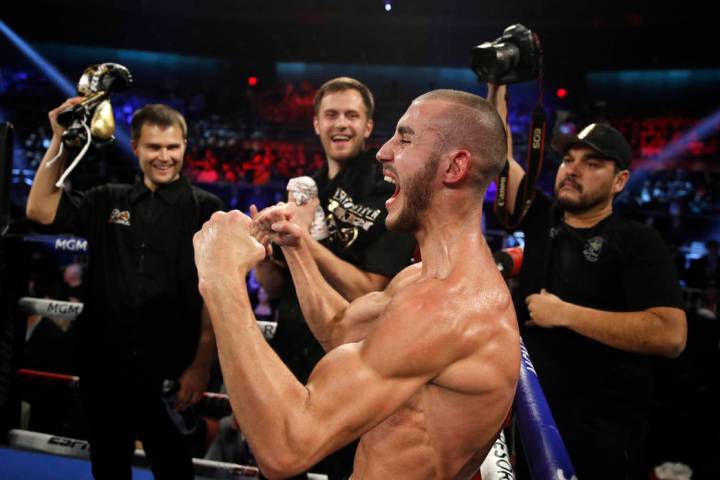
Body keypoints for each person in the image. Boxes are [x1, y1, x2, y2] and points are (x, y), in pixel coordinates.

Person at [193, 89, 519, 479]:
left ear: (453, 167)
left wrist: (220, 277)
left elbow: (286, 448)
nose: (382, 151)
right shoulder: (422, 279)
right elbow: (339, 329)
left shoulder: (447, 308)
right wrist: (298, 247)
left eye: (405, 138)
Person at [487, 83, 687, 479]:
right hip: (531, 417)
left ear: (620, 181)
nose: (573, 169)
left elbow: (671, 334)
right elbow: (500, 157)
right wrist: (497, 86)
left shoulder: (636, 240)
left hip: (602, 432)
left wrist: (564, 313)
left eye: (592, 163)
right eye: (569, 159)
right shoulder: (544, 219)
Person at [26, 101, 223, 479]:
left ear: (184, 145)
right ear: (135, 148)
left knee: (174, 472)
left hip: (171, 375)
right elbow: (40, 210)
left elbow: (214, 294)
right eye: (154, 147)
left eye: (172, 147)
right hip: (105, 371)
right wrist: (59, 141)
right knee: (109, 471)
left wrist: (201, 365)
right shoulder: (106, 199)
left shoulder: (206, 208)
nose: (164, 157)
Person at [253, 77, 416, 478]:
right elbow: (274, 288)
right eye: (331, 114)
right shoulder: (305, 190)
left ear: (367, 126)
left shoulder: (390, 193)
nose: (340, 123)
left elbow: (374, 288)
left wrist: (302, 243)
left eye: (351, 115)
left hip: (351, 373)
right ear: (316, 124)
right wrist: (262, 249)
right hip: (291, 356)